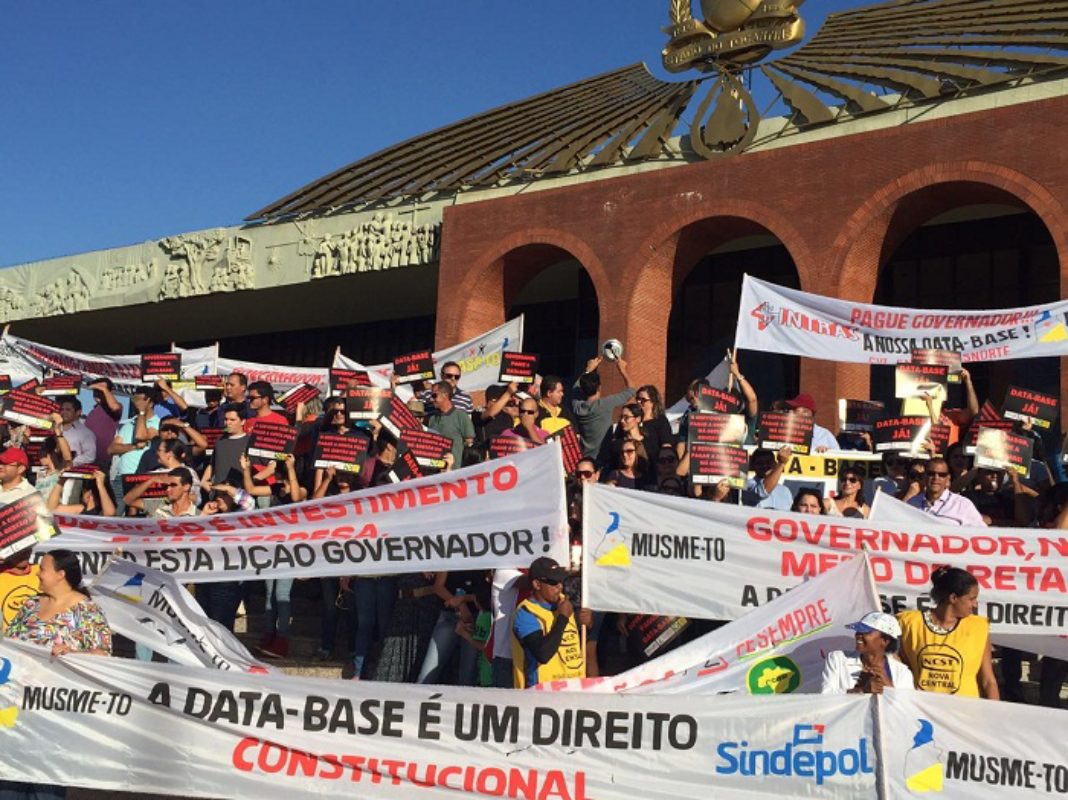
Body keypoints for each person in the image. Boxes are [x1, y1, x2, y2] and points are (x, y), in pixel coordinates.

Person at [1, 550, 111, 799]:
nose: (37, 574)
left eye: (43, 569)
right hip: (15, 706)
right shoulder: (31, 604)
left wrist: (73, 654)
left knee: (45, 786)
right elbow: (9, 643)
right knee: (8, 783)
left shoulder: (87, 611)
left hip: (53, 713)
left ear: (61, 574)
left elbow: (104, 656)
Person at [897, 566, 999, 699]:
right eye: (971, 599)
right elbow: (900, 670)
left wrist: (996, 710)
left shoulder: (978, 627)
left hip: (963, 709)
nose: (975, 604)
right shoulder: (910, 624)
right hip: (922, 707)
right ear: (953, 598)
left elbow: (988, 681)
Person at [512, 557, 586, 688]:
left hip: (573, 688)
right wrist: (563, 618)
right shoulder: (526, 613)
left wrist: (583, 621)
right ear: (537, 584)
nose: (560, 586)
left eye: (561, 580)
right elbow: (543, 654)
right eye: (553, 582)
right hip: (542, 692)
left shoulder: (564, 603)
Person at [820, 612, 914, 694]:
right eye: (858, 631)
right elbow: (825, 696)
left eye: (866, 632)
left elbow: (906, 706)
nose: (858, 635)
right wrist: (862, 690)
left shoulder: (902, 673)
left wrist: (889, 690)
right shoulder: (838, 659)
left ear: (885, 641)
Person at [571, 354, 635, 459]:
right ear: (599, 387)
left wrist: (588, 370)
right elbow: (631, 390)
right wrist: (622, 369)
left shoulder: (577, 407)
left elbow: (575, 388)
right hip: (604, 458)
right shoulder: (605, 404)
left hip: (585, 457)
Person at [906, 456, 986, 526]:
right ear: (925, 476)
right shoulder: (912, 503)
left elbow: (979, 532)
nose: (936, 478)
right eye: (931, 474)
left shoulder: (962, 505)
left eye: (942, 475)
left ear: (948, 478)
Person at [426, 381, 475, 465]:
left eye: (434, 395)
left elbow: (469, 443)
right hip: (435, 468)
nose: (431, 399)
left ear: (445, 395)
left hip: (455, 469)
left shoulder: (461, 416)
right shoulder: (432, 419)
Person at [742, 446, 793, 510]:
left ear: (774, 463)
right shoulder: (747, 485)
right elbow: (763, 492)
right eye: (760, 463)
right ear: (753, 465)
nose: (764, 465)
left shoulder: (785, 491)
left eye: (768, 462)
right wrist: (781, 463)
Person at [56, 396, 96, 466]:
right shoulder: (55, 428)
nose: (63, 412)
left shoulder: (86, 433)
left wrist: (71, 463)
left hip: (72, 470)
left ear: (78, 412)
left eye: (68, 410)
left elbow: (90, 456)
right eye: (62, 409)